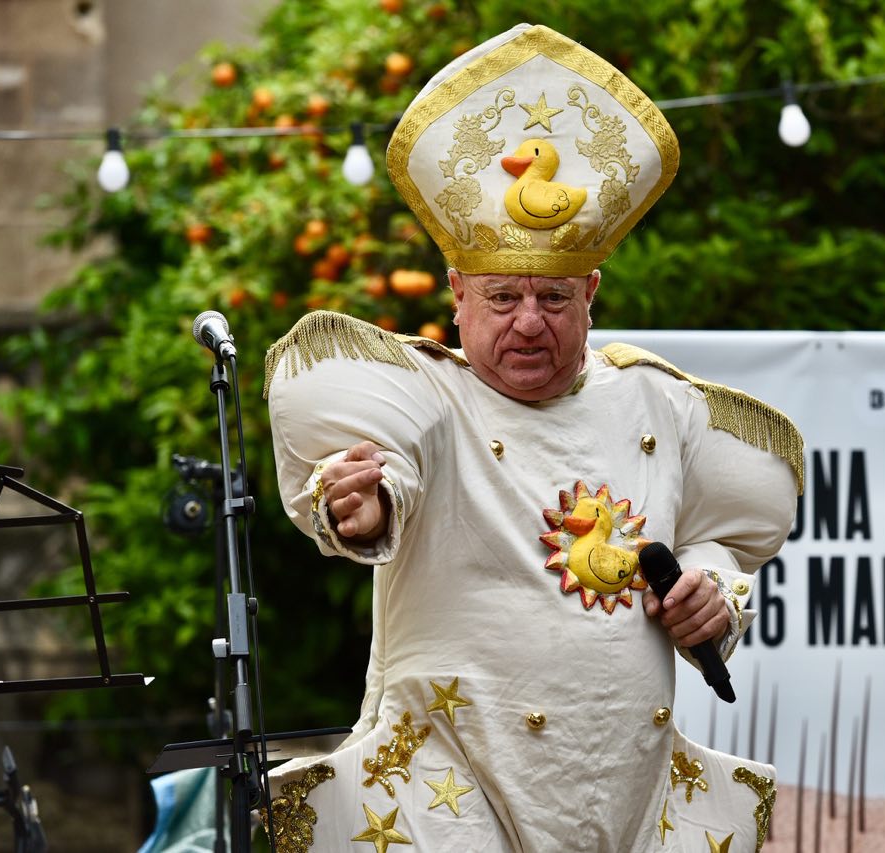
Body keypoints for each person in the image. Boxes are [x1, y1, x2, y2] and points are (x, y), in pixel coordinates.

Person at [263, 24, 802, 852]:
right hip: (447, 788)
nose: (527, 322)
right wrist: (360, 508)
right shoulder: (427, 397)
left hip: (625, 788)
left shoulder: (663, 405)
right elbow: (376, 479)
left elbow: (722, 544)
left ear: (591, 294)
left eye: (552, 300)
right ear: (457, 294)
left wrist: (713, 597)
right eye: (502, 297)